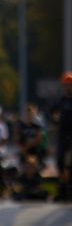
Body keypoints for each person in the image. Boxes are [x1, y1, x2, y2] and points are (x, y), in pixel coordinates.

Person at [51, 72, 72, 201]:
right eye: (66, 85)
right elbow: (53, 115)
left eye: (70, 85)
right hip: (63, 135)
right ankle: (63, 189)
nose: (68, 87)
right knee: (60, 162)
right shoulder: (60, 101)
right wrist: (55, 119)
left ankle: (69, 190)